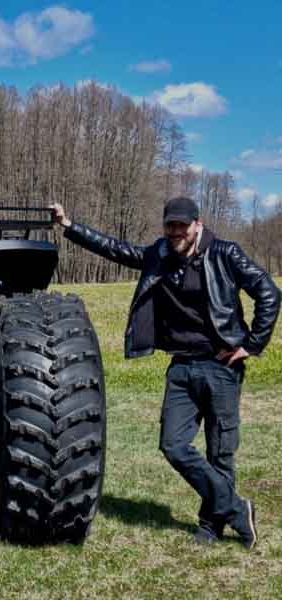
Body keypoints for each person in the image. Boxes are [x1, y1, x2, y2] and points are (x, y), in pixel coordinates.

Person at [50, 196, 280, 549]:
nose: (175, 232)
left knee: (220, 452)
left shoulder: (225, 253)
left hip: (220, 366)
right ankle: (237, 509)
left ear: (197, 225)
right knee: (173, 445)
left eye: (181, 226)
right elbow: (116, 249)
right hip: (181, 367)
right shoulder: (160, 253)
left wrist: (251, 344)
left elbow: (268, 292)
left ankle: (211, 526)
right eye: (170, 225)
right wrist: (69, 226)